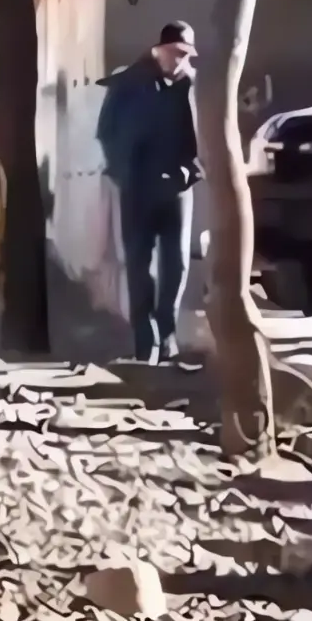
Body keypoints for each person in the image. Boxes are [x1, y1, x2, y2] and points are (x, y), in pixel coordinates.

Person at [97, 20, 202, 364]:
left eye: (185, 55)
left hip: (177, 188)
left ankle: (165, 330)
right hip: (138, 189)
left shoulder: (191, 87)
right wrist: (123, 172)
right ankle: (146, 340)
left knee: (177, 265)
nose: (178, 60)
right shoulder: (130, 84)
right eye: (174, 53)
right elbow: (106, 131)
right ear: (159, 51)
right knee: (139, 267)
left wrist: (189, 172)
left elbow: (204, 137)